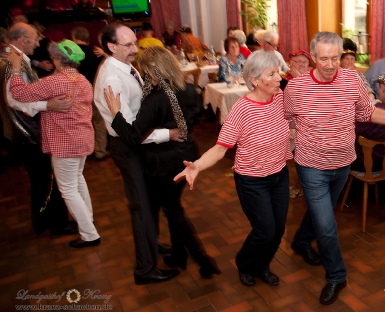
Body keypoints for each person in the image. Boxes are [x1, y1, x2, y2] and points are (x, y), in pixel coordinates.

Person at [284, 32, 385, 305]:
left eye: (335, 58)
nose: (329, 64)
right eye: (323, 58)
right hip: (311, 165)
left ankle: (301, 242)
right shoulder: (297, 88)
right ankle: (337, 276)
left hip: (343, 163)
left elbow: (367, 112)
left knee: (320, 212)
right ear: (313, 57)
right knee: (327, 226)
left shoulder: (351, 79)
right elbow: (287, 119)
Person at [175, 50, 292, 287]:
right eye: (272, 73)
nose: (278, 77)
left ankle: (262, 265)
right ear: (255, 81)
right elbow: (220, 149)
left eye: (277, 71)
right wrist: (196, 165)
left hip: (279, 175)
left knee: (278, 230)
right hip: (252, 181)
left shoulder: (279, 97)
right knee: (265, 230)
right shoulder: (242, 110)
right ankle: (245, 262)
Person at [103, 46, 221, 279]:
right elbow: (195, 116)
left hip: (163, 163)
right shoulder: (188, 88)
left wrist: (116, 113)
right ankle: (179, 255)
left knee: (173, 209)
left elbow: (133, 136)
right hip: (186, 155)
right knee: (171, 205)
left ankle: (203, 260)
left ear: (153, 70)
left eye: (146, 71)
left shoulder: (156, 99)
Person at [94, 23, 179, 284]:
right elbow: (130, 130)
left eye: (134, 42)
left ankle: (151, 244)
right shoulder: (112, 78)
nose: (135, 49)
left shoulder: (125, 68)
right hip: (128, 147)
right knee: (141, 207)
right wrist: (168, 134)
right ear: (111, 46)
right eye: (128, 45)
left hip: (138, 145)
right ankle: (145, 269)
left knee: (149, 201)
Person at [6, 39, 101, 248]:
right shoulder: (82, 79)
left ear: (57, 59)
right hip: (82, 138)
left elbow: (18, 93)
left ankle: (89, 234)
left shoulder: (56, 81)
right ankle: (87, 221)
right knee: (77, 180)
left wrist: (14, 68)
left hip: (66, 141)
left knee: (67, 188)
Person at [0, 22, 76, 236]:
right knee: (47, 179)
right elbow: (13, 99)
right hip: (28, 134)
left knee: (40, 180)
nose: (38, 42)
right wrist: (48, 105)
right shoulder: (11, 63)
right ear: (23, 39)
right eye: (34, 38)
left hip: (23, 133)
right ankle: (57, 224)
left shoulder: (14, 58)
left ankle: (42, 222)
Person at [71, 26, 109, 160]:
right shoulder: (96, 52)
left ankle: (85, 151)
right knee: (99, 123)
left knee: (81, 124)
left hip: (76, 94)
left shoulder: (70, 55)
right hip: (95, 92)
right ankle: (100, 151)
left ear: (74, 38)